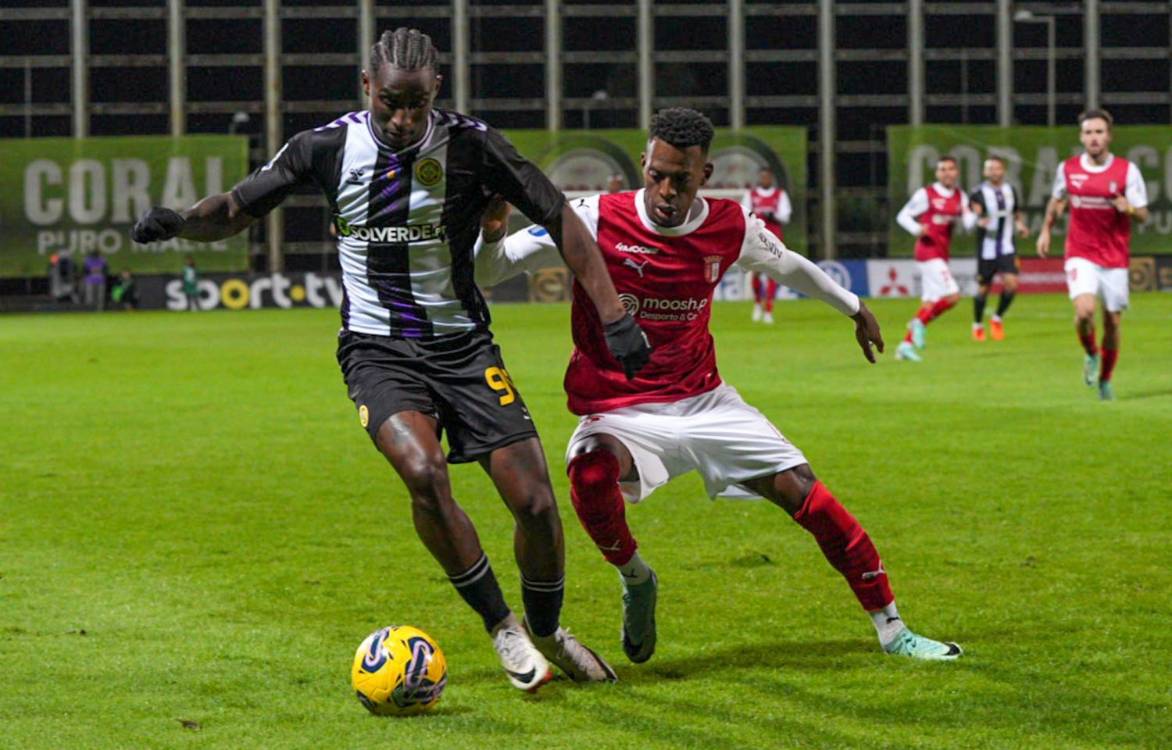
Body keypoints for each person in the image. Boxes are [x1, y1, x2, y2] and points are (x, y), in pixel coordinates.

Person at [130, 26, 652, 692]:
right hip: (377, 350)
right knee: (423, 471)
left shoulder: (474, 146)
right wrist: (179, 220)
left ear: (436, 88)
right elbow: (235, 208)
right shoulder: (324, 148)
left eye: (416, 103)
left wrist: (614, 314)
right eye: (390, 104)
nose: (403, 119)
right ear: (367, 89)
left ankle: (548, 628)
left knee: (537, 507)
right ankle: (503, 627)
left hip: (463, 345)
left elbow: (562, 219)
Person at [477, 108, 962, 662]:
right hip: (620, 411)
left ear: (704, 175)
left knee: (810, 496)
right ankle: (636, 579)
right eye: (656, 174)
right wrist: (493, 231)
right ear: (643, 164)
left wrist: (853, 307)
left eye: (680, 179)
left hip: (706, 402)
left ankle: (893, 630)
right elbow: (490, 272)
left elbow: (789, 266)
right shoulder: (591, 218)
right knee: (588, 476)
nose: (664, 190)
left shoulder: (730, 225)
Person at [1037, 109, 1148, 401]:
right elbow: (1056, 200)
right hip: (1080, 252)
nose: (1094, 137)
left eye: (1099, 132)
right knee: (1084, 311)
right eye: (1088, 132)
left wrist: (1131, 209)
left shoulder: (1127, 171)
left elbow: (1144, 215)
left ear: (1108, 136)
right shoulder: (1068, 168)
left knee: (1112, 322)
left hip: (1114, 257)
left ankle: (1106, 380)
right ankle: (1091, 353)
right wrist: (1046, 230)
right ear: (1081, 137)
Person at [894, 155, 972, 361]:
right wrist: (916, 228)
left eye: (950, 169)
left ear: (956, 172)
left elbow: (970, 223)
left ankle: (905, 346)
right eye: (942, 169)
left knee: (929, 304)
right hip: (927, 252)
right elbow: (902, 216)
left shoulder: (960, 197)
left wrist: (977, 214)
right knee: (953, 296)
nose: (947, 172)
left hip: (942, 254)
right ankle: (918, 323)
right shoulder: (926, 194)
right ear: (937, 173)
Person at [968, 156, 1028, 341]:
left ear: (1003, 170)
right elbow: (972, 214)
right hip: (987, 248)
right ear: (985, 172)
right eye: (990, 168)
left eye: (997, 168)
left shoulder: (1011, 189)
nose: (994, 171)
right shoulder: (978, 193)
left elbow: (1015, 212)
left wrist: (1020, 225)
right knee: (983, 289)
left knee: (1012, 284)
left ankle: (997, 318)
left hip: (1007, 247)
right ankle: (977, 324)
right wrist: (979, 221)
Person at [741, 167, 792, 324]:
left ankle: (769, 310)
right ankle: (757, 304)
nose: (765, 180)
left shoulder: (780, 195)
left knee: (772, 273)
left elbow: (785, 216)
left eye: (767, 177)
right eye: (762, 177)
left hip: (775, 239)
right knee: (756, 273)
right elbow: (743, 214)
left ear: (771, 179)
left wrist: (774, 216)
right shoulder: (751, 195)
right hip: (756, 239)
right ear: (759, 178)